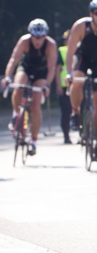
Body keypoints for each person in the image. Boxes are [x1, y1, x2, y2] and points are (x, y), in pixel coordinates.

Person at [65, 0, 97, 162]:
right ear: (91, 14)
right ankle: (75, 112)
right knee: (77, 80)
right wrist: (69, 73)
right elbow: (70, 51)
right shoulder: (81, 26)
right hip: (83, 58)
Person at [1, 19, 57, 156]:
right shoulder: (24, 41)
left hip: (41, 72)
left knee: (35, 105)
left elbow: (51, 69)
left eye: (40, 37)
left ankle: (33, 141)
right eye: (34, 37)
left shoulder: (50, 45)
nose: (37, 41)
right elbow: (14, 60)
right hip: (26, 68)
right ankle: (16, 114)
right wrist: (8, 76)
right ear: (30, 35)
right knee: (18, 86)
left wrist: (47, 85)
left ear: (45, 36)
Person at [56, 31, 73, 144]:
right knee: (66, 113)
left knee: (80, 111)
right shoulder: (61, 51)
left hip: (77, 85)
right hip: (64, 86)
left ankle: (83, 135)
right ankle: (66, 135)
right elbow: (57, 70)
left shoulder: (79, 49)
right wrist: (58, 86)